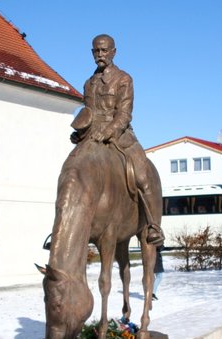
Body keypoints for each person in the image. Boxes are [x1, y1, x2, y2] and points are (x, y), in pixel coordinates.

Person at [70, 34, 164, 246]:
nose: (100, 55)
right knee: (72, 170)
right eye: (96, 51)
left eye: (104, 50)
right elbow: (88, 113)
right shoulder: (88, 83)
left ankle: (154, 226)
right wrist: (80, 133)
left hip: (120, 136)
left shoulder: (124, 79)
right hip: (92, 135)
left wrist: (109, 131)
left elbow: (124, 114)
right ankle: (65, 227)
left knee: (142, 173)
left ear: (113, 52)